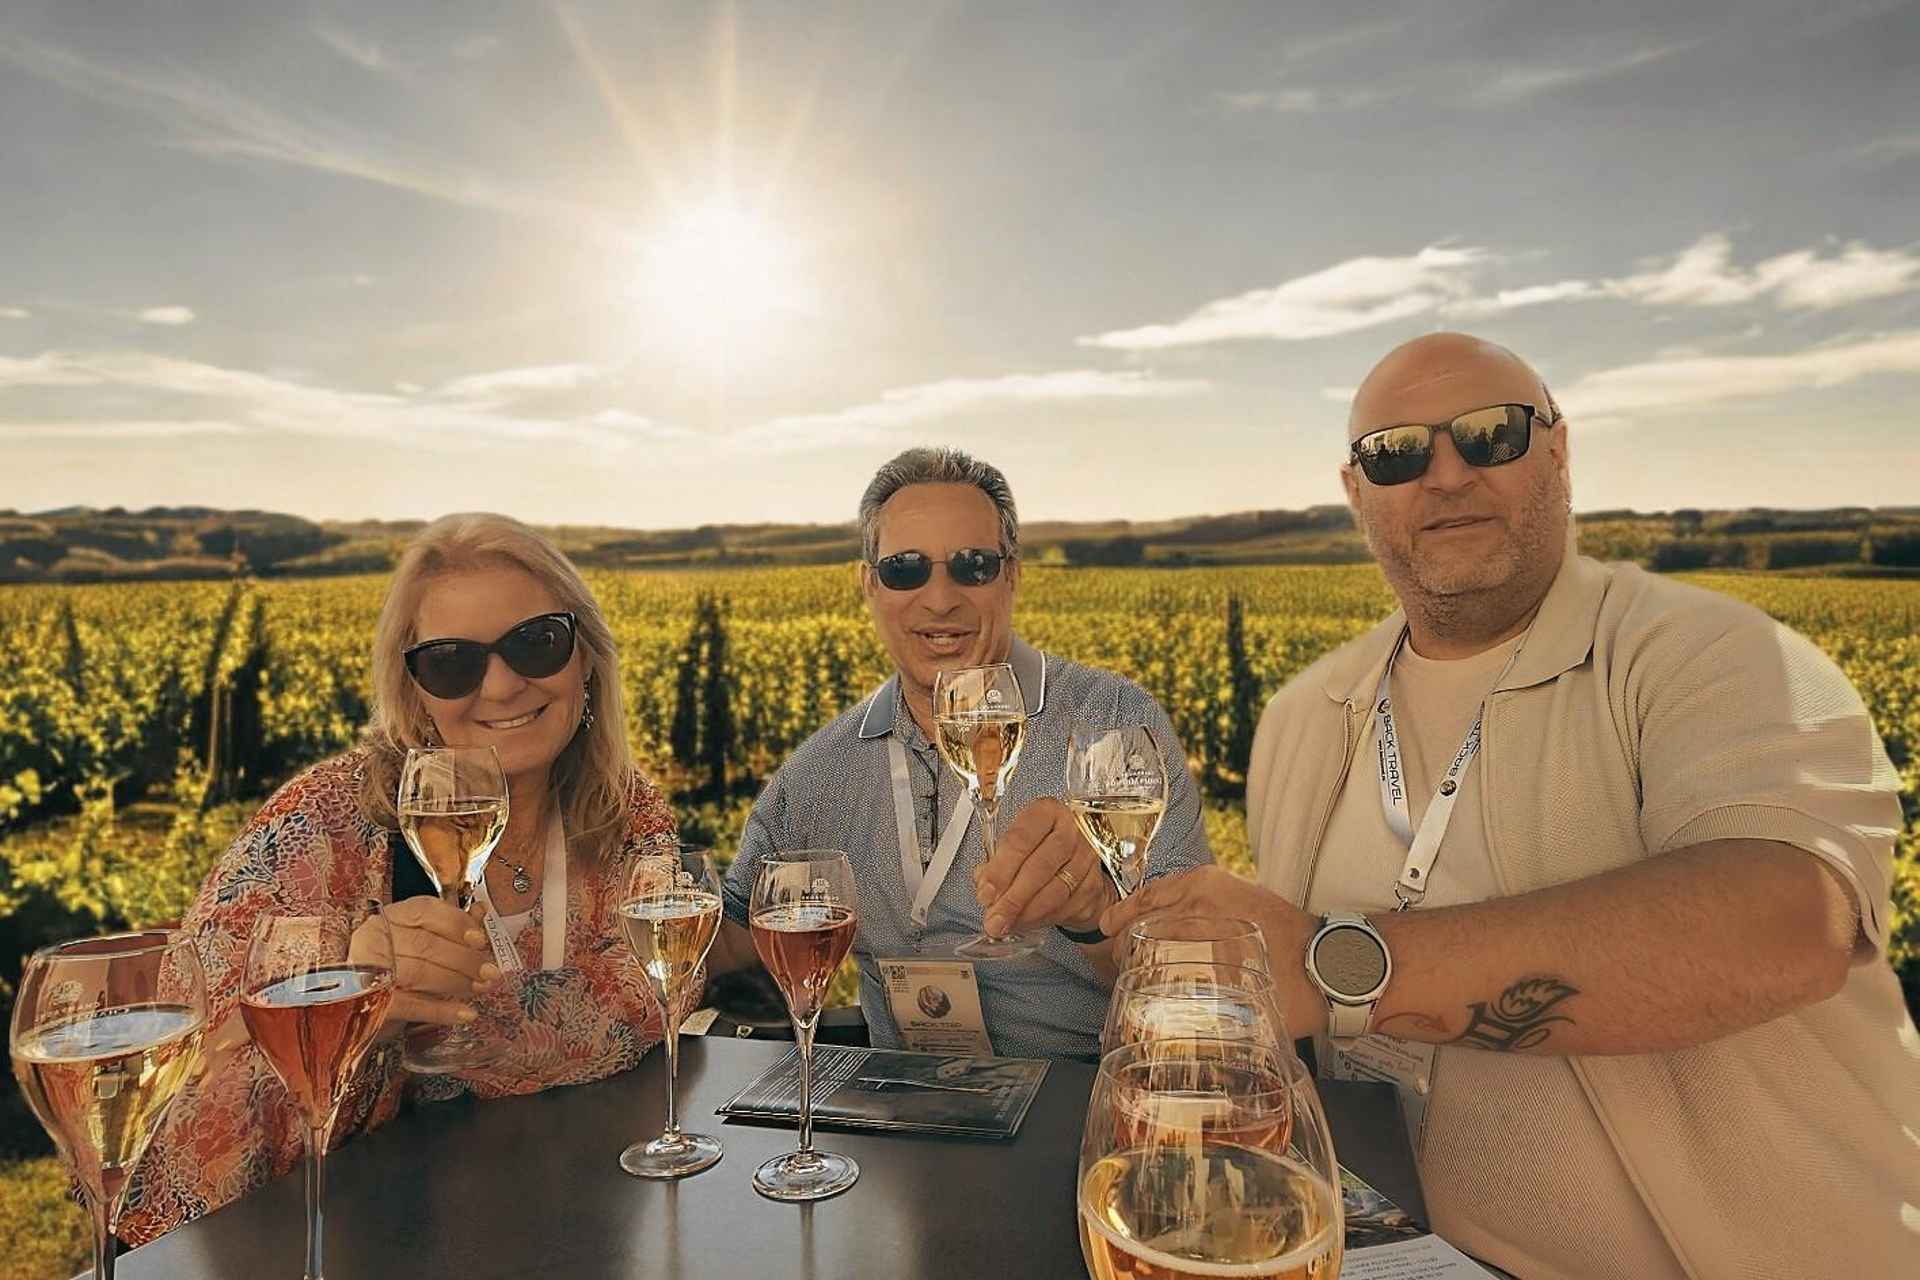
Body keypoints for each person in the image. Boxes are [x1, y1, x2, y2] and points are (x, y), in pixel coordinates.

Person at [1103, 333, 1920, 1276]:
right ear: (1356, 491)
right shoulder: (1303, 718)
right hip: (1385, 1251)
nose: (1447, 475)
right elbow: (1281, 1004)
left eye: (1492, 435)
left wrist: (1336, 968)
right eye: (1397, 454)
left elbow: (1788, 923)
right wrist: (1107, 922)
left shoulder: (1714, 657)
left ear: (1559, 451)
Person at [120, 514, 684, 1245]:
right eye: (451, 662)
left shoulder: (622, 814)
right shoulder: (316, 829)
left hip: (575, 1230)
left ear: (588, 660)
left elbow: (655, 995)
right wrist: (344, 1011)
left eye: (536, 642)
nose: (502, 685)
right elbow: (171, 1136)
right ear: (415, 692)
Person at [713, 446, 1212, 1058]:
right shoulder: (822, 770)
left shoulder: (1113, 725)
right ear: (869, 585)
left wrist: (1093, 916)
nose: (940, 599)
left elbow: (1193, 974)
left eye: (973, 566)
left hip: (1079, 1089)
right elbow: (734, 936)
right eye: (905, 570)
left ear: (1012, 577)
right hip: (900, 1097)